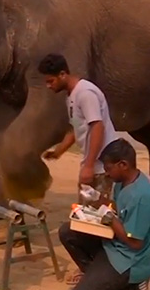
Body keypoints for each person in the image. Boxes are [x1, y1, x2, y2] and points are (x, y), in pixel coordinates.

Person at [58, 138, 150, 290]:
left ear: (123, 165)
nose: (106, 173)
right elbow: (120, 209)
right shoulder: (123, 183)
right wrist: (99, 200)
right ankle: (97, 278)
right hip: (113, 244)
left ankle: (130, 284)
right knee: (68, 231)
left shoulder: (142, 197)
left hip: (128, 260)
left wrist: (108, 218)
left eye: (108, 168)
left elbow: (135, 243)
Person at [38, 53, 120, 193]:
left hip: (102, 166)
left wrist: (89, 166)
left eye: (51, 81)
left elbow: (97, 126)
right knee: (84, 206)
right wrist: (58, 152)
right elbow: (75, 128)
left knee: (96, 206)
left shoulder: (85, 93)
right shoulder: (71, 95)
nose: (48, 86)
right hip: (93, 164)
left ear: (62, 74)